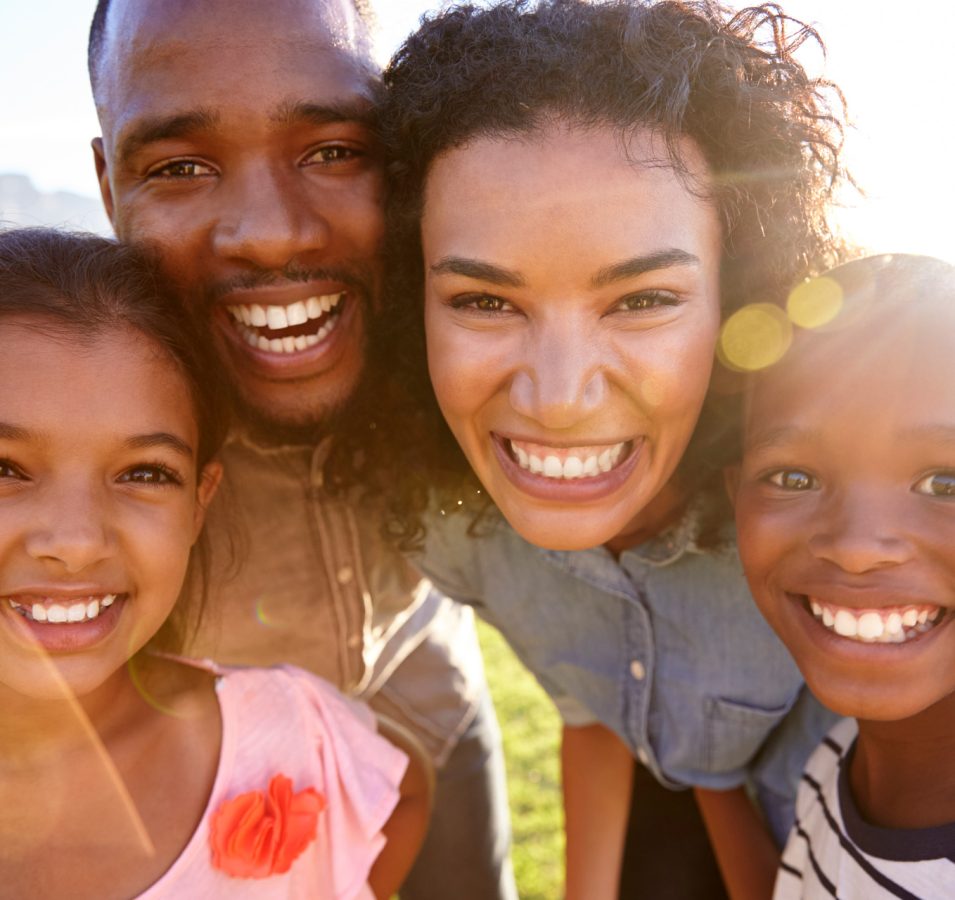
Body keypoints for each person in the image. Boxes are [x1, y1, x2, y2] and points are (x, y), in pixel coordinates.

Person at [375, 1, 849, 896]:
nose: (558, 400)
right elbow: (591, 703)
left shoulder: (835, 532)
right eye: (484, 302)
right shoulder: (460, 536)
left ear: (741, 298)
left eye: (640, 301)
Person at [85, 1, 515, 897]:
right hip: (220, 788)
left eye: (332, 151)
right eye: (181, 166)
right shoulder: (72, 400)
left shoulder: (465, 322)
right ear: (106, 185)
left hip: (434, 710)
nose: (273, 230)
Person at [0, 227, 431, 899]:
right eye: (6, 468)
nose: (78, 541)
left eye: (144, 472)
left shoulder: (290, 740)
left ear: (199, 504)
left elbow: (403, 787)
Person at [729, 254, 955, 898]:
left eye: (945, 482)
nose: (857, 549)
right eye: (792, 478)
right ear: (733, 498)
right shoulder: (835, 761)